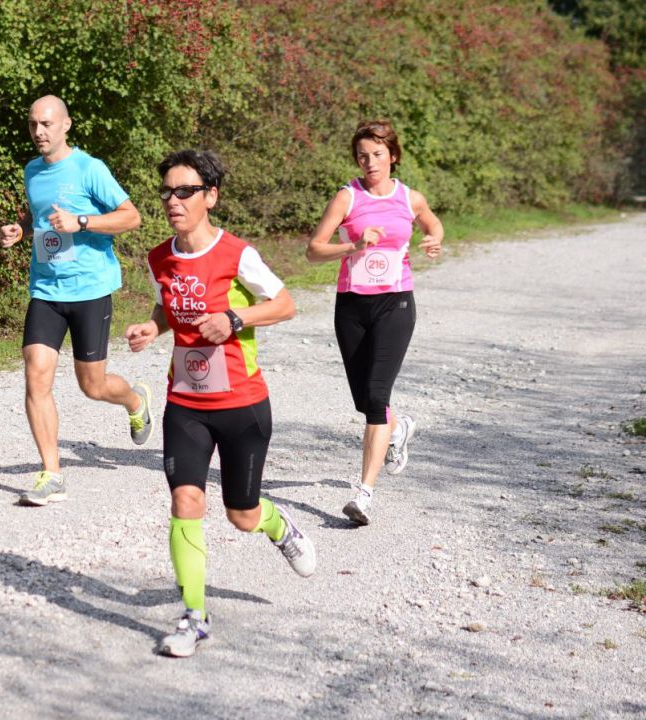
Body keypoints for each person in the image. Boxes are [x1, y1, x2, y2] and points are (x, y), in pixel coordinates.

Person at [126, 149, 316, 658]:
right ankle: (194, 616)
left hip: (242, 404)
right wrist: (153, 326)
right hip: (184, 402)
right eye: (167, 190)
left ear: (210, 196)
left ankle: (279, 525)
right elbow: (167, 309)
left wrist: (235, 319)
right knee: (186, 500)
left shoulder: (237, 254)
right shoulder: (158, 257)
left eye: (185, 190)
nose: (173, 200)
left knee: (242, 514)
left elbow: (286, 304)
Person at [0, 95, 153, 507]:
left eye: (47, 124)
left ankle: (135, 400)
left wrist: (82, 221)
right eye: (33, 125)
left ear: (66, 125)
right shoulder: (32, 170)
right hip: (46, 290)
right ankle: (52, 474)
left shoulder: (89, 169)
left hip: (90, 289)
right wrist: (21, 228)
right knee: (36, 373)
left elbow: (131, 217)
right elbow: (39, 214)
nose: (39, 132)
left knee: (93, 385)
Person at [305, 119, 444, 526]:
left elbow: (432, 222)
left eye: (378, 154)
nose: (370, 162)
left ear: (393, 156)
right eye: (363, 156)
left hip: (396, 304)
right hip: (351, 306)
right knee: (365, 399)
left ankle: (363, 494)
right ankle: (400, 429)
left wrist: (435, 238)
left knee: (376, 396)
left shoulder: (409, 198)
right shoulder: (346, 198)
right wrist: (353, 245)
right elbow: (314, 251)